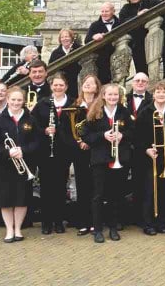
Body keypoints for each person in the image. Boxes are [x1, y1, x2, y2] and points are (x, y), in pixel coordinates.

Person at [0, 86, 40, 243]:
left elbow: (37, 142)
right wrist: (8, 153)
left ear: (23, 101)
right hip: (3, 165)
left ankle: (18, 228)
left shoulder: (31, 119)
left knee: (21, 198)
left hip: (25, 164)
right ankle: (9, 229)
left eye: (19, 100)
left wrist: (23, 150)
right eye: (13, 100)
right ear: (8, 100)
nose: (16, 102)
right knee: (5, 199)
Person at [82, 83, 133, 243]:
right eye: (110, 95)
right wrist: (103, 135)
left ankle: (113, 228)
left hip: (119, 159)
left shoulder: (124, 112)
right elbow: (85, 136)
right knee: (98, 195)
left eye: (115, 95)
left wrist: (122, 136)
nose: (113, 98)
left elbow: (133, 132)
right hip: (100, 159)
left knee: (116, 195)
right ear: (103, 96)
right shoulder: (94, 113)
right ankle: (97, 230)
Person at [31, 73, 75, 235]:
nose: (58, 88)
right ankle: (46, 221)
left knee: (60, 187)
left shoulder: (72, 103)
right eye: (55, 85)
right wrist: (44, 130)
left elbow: (75, 127)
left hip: (64, 151)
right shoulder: (42, 104)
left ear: (66, 87)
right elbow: (33, 125)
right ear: (51, 86)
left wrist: (60, 132)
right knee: (46, 187)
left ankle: (58, 221)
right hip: (45, 151)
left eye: (61, 85)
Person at [135, 82, 165, 235]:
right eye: (158, 92)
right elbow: (137, 136)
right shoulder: (145, 112)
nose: (161, 94)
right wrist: (146, 149)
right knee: (149, 190)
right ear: (153, 95)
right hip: (150, 157)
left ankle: (162, 221)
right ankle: (148, 223)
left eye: (164, 92)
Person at [68, 74, 100, 236]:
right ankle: (83, 222)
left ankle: (95, 223)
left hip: (96, 150)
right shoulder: (75, 105)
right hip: (79, 151)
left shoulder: (100, 106)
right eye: (85, 83)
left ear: (97, 87)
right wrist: (79, 142)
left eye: (91, 83)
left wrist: (90, 141)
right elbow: (69, 129)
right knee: (82, 186)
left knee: (96, 187)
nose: (88, 85)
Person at [124, 72, 152, 222]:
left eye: (143, 81)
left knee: (141, 182)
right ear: (132, 83)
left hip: (142, 148)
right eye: (137, 80)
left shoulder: (152, 100)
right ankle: (125, 216)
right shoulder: (124, 99)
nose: (140, 83)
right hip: (125, 147)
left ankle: (142, 217)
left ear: (147, 84)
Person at [118, 0, 151, 75]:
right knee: (141, 67)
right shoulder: (126, 8)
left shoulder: (147, 2)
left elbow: (160, 2)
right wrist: (137, 15)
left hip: (151, 38)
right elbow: (121, 22)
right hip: (136, 42)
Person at [85, 2, 120, 84]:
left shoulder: (120, 23)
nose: (104, 14)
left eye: (106, 11)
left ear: (113, 11)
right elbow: (87, 41)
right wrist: (93, 37)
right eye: (102, 11)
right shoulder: (95, 25)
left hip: (118, 58)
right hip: (101, 61)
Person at [47, 29, 81, 98]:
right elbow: (51, 69)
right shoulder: (55, 53)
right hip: (61, 83)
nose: (64, 39)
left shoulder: (79, 49)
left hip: (76, 82)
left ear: (71, 38)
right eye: (62, 37)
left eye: (67, 36)